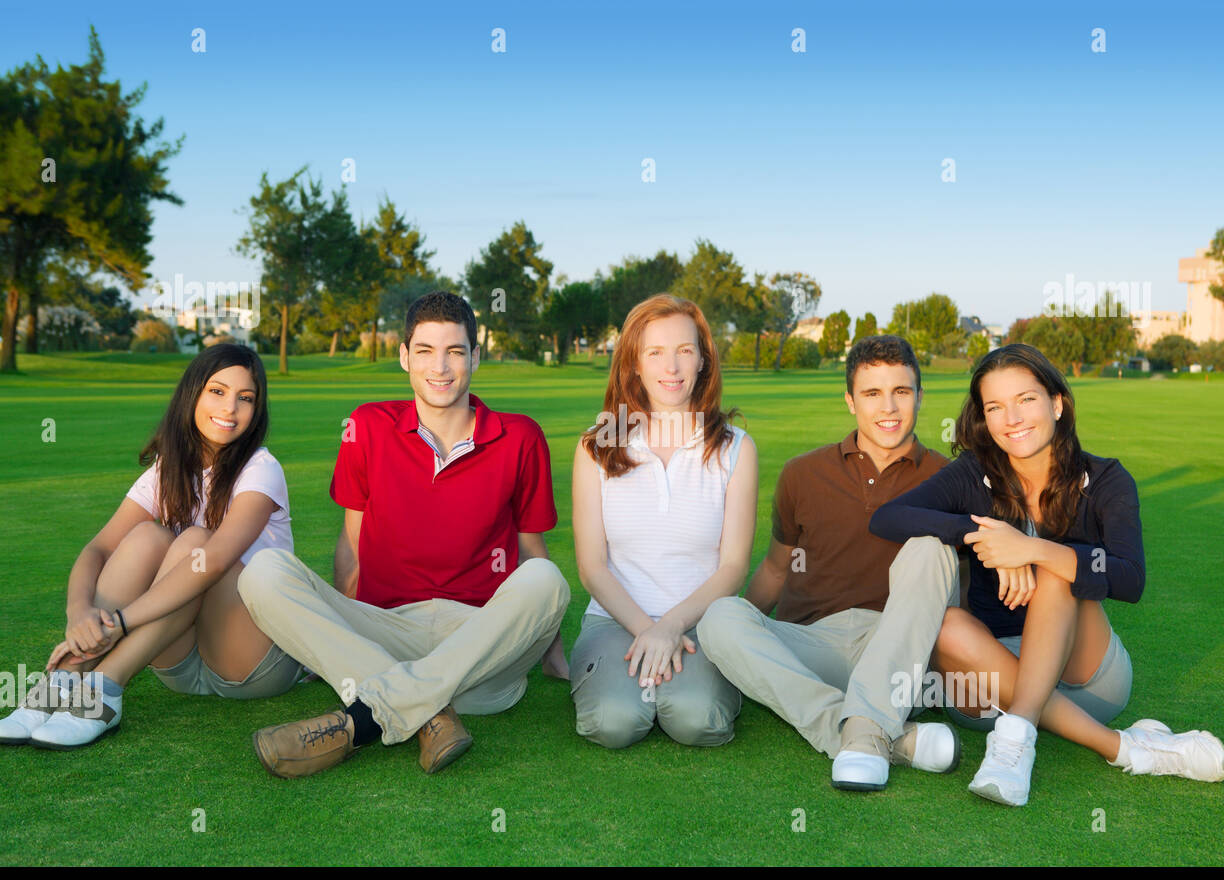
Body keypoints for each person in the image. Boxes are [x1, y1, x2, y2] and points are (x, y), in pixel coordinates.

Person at [870, 343, 1224, 806]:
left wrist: (1031, 549)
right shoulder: (971, 475)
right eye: (995, 407)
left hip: (1087, 678)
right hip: (985, 687)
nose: (1012, 418)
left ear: (1057, 403)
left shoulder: (1105, 480)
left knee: (1061, 569)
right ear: (984, 418)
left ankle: (1016, 739)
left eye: (1026, 400)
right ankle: (1125, 748)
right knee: (946, 624)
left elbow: (1130, 577)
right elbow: (888, 518)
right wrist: (989, 538)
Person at [238, 291, 569, 779]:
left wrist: (553, 655)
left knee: (546, 578)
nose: (441, 367)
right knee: (262, 572)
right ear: (403, 356)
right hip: (384, 635)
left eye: (455, 351)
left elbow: (530, 553)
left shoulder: (520, 436)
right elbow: (351, 544)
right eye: (425, 351)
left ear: (475, 356)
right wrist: (328, 633)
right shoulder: (366, 426)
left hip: (479, 653)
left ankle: (362, 721)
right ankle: (428, 711)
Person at [0, 344, 301, 750]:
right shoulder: (168, 469)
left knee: (195, 543)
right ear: (192, 394)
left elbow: (213, 562)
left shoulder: (261, 469)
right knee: (146, 536)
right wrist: (79, 615)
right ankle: (62, 681)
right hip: (177, 659)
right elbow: (98, 550)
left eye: (245, 398)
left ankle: (104, 689)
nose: (230, 408)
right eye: (217, 391)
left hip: (250, 663)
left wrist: (118, 624)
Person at [697, 335, 963, 790]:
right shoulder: (802, 473)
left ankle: (863, 732)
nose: (889, 408)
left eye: (901, 392)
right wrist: (738, 644)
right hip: (815, 645)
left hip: (904, 652)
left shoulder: (952, 478)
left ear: (920, 396)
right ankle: (868, 735)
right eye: (872, 393)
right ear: (849, 401)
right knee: (719, 616)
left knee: (932, 549)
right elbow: (778, 570)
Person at [569, 294, 757, 748]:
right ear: (634, 363)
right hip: (615, 619)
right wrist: (647, 631)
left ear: (703, 361)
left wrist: (671, 628)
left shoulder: (736, 448)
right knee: (613, 723)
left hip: (700, 623)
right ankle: (629, 680)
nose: (671, 367)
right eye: (655, 352)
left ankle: (676, 682)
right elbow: (592, 567)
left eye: (684, 351)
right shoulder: (595, 447)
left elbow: (733, 568)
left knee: (699, 721)